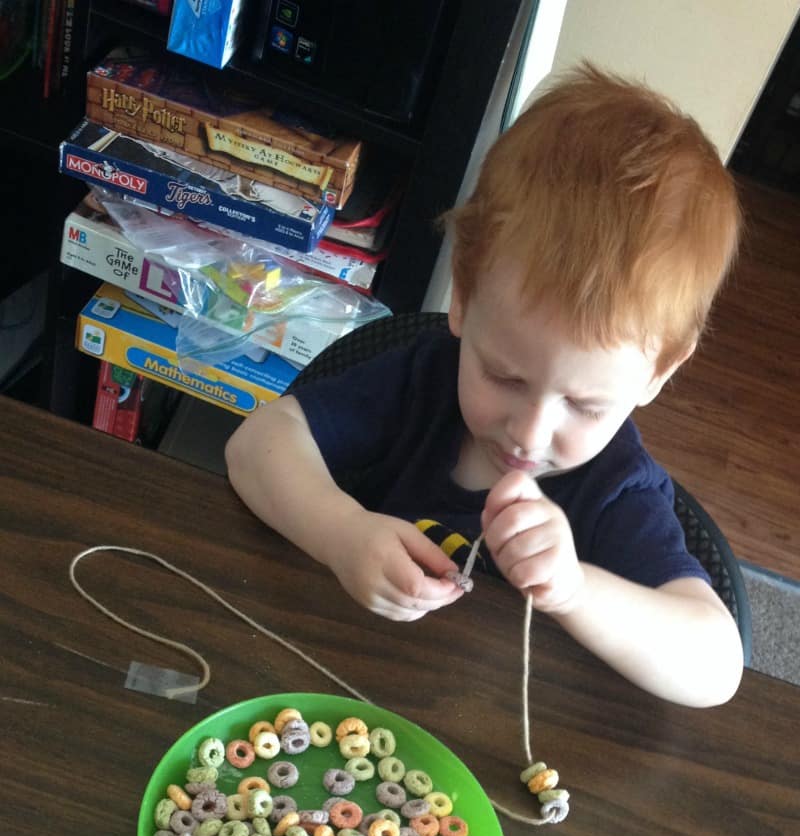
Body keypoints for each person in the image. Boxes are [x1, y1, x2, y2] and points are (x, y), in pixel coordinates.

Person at [226, 63, 744, 708]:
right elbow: (256, 446)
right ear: (463, 303)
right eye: (505, 376)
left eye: (584, 404)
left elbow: (716, 668)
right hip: (327, 683)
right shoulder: (422, 382)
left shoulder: (615, 488)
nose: (530, 431)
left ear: (658, 374)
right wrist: (341, 533)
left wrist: (576, 589)